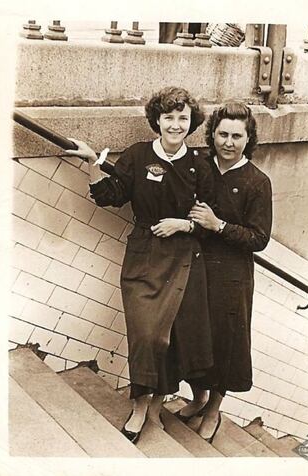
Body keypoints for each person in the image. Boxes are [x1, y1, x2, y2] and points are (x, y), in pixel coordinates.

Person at [66, 86, 215, 444]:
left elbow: (209, 222)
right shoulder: (136, 155)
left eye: (183, 118)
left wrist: (184, 224)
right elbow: (111, 196)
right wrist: (92, 162)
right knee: (145, 334)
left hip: (183, 258)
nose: (176, 125)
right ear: (157, 121)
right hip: (144, 253)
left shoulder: (200, 165)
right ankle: (140, 404)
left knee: (169, 337)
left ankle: (154, 404)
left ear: (191, 121)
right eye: (169, 117)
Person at [179, 101, 273, 442]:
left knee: (224, 342)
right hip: (195, 266)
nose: (228, 143)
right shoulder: (200, 164)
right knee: (193, 337)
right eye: (222, 134)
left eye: (237, 136)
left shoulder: (257, 181)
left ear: (249, 139)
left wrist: (218, 225)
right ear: (212, 134)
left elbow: (259, 238)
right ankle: (197, 398)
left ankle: (214, 410)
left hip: (232, 276)